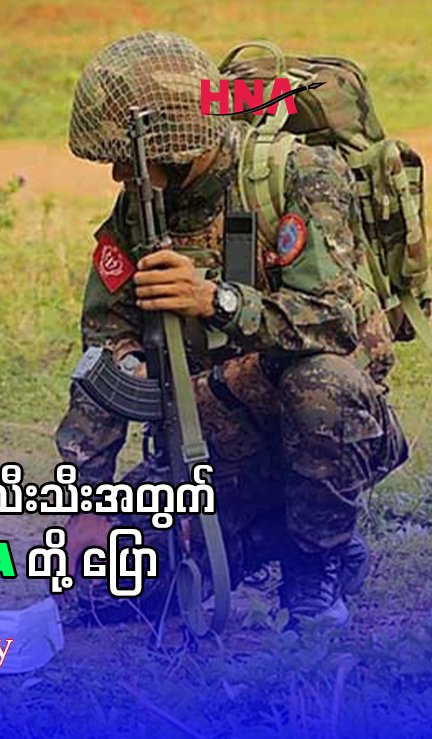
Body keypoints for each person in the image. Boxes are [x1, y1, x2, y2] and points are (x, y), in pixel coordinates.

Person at [56, 31, 408, 628]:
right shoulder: (139, 210)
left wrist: (216, 301)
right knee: (108, 591)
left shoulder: (299, 174)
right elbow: (104, 345)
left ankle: (314, 564)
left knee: (323, 382)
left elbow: (334, 321)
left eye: (126, 158)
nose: (116, 174)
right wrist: (87, 501)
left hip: (320, 424)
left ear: (174, 144)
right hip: (208, 440)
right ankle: (269, 533)